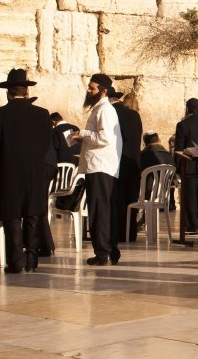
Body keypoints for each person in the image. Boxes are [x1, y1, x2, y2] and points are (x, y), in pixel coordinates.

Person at [0, 69, 52, 273]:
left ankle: (16, 262)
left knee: (12, 217)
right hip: (34, 174)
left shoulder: (0, 115)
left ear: (8, 92)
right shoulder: (42, 114)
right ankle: (32, 260)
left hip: (9, 174)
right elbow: (46, 144)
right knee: (33, 215)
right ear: (26, 92)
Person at [72, 74, 123, 266]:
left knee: (99, 211)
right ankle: (109, 251)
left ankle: (103, 253)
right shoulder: (101, 109)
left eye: (92, 88)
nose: (88, 90)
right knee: (105, 210)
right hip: (102, 166)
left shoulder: (105, 110)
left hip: (100, 167)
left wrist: (82, 134)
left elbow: (105, 138)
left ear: (103, 91)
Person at [109, 88, 143, 243]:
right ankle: (131, 233)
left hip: (117, 163)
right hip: (134, 163)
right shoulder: (134, 114)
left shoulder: (110, 114)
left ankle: (118, 233)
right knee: (131, 199)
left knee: (117, 200)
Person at [175, 98, 198, 233]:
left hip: (189, 166)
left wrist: (177, 168)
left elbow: (179, 149)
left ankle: (193, 224)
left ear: (187, 109)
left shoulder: (183, 125)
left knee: (190, 197)